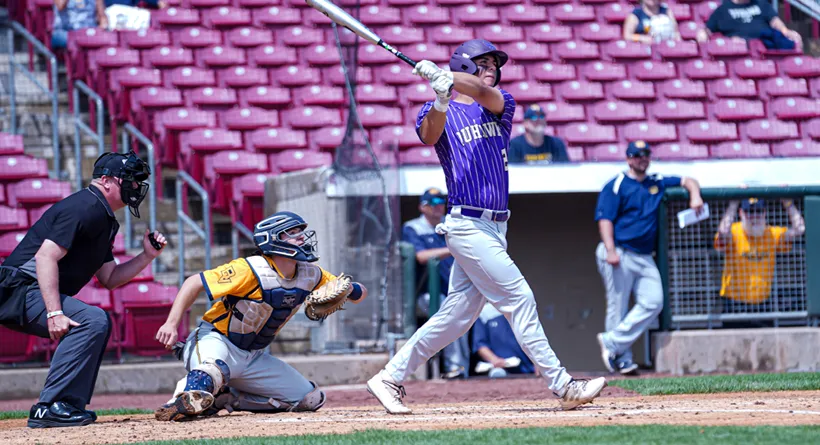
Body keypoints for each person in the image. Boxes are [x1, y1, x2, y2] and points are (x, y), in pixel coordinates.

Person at [366, 38, 607, 415]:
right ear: (464, 63)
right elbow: (429, 134)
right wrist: (443, 97)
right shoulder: (436, 109)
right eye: (484, 62)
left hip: (496, 227)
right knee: (520, 298)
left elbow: (480, 91)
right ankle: (563, 385)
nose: (492, 68)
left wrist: (450, 78)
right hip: (466, 224)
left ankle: (389, 377)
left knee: (456, 318)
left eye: (495, 63)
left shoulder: (500, 105)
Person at [0, 151, 165, 428]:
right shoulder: (85, 207)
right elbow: (45, 257)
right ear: (106, 181)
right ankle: (49, 406)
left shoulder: (103, 216)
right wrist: (54, 312)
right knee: (92, 320)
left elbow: (110, 277)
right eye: (130, 180)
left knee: (97, 321)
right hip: (17, 289)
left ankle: (66, 405)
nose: (135, 187)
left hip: (27, 290)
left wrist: (146, 256)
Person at [153, 211, 367, 421]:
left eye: (301, 231)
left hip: (253, 356)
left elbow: (359, 294)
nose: (302, 237)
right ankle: (183, 399)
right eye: (292, 232)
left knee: (310, 399)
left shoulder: (310, 273)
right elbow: (193, 282)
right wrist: (171, 324)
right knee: (210, 369)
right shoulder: (250, 269)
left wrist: (350, 289)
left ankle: (226, 398)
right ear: (273, 239)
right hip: (217, 340)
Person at [594, 140, 703, 376]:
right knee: (618, 306)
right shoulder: (616, 185)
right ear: (628, 159)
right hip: (620, 252)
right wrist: (611, 250)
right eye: (636, 155)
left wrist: (695, 196)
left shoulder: (656, 181)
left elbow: (688, 180)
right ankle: (622, 360)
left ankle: (612, 342)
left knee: (654, 301)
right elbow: (605, 220)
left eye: (645, 154)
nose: (641, 159)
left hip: (644, 255)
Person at [402, 187, 470, 379]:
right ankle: (453, 367)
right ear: (422, 207)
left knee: (465, 314)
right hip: (423, 294)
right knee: (449, 312)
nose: (438, 207)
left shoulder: (449, 226)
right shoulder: (413, 227)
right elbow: (421, 256)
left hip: (451, 291)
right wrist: (451, 248)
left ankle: (461, 369)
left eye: (441, 203)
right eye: (433, 204)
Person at [714, 196, 805, 323]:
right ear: (741, 213)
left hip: (763, 304)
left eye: (759, 211)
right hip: (734, 304)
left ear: (764, 213)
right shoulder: (734, 231)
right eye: (750, 212)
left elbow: (799, 229)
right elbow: (723, 233)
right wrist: (733, 205)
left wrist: (788, 204)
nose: (755, 216)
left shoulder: (772, 234)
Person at [696, 0, 802, 50]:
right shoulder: (722, 10)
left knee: (794, 38)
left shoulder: (762, 4)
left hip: (765, 46)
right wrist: (703, 33)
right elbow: (708, 30)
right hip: (740, 50)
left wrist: (785, 31)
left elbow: (775, 21)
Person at [472, 302, 535, 378]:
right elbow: (480, 345)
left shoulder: (522, 307)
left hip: (527, 369)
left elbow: (534, 339)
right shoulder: (484, 312)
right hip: (500, 371)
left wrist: (538, 362)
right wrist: (495, 360)